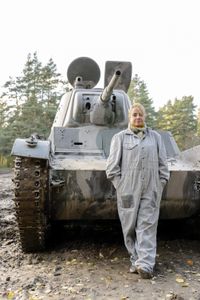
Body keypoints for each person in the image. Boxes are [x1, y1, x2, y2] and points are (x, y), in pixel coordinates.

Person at [106, 103, 170, 279]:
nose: (138, 117)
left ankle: (146, 265)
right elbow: (111, 168)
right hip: (128, 189)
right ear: (130, 117)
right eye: (135, 114)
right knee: (129, 227)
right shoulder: (119, 138)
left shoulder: (155, 138)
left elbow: (163, 165)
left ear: (145, 116)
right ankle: (136, 260)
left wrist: (160, 183)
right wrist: (121, 186)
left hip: (151, 188)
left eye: (140, 114)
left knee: (147, 225)